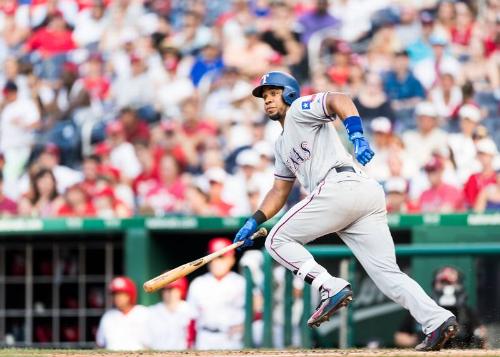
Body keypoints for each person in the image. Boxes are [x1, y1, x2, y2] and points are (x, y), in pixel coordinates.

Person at [233, 71, 457, 351]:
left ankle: (330, 286)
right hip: (361, 194)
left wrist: (357, 135)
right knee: (388, 274)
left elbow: (339, 99)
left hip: (340, 185)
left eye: (273, 93)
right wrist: (254, 220)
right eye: (264, 96)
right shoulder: (280, 145)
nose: (267, 100)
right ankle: (437, 320)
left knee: (276, 240)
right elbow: (279, 191)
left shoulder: (299, 110)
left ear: (289, 93)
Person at [395, 266, 488, 349]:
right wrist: (417, 340)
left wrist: (478, 337)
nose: (446, 287)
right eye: (443, 283)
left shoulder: (466, 311)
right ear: (435, 284)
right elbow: (399, 336)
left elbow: (481, 332)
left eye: (450, 283)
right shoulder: (423, 308)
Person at [187, 238, 245, 350]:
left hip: (231, 339)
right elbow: (191, 318)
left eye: (220, 257)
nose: (215, 261)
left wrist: (245, 326)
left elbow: (257, 313)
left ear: (231, 259)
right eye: (212, 257)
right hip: (204, 337)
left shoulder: (241, 282)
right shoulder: (198, 283)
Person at [96, 277, 148, 351]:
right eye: (115, 294)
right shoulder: (108, 316)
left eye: (120, 294)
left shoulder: (143, 313)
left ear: (130, 294)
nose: (117, 297)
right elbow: (100, 344)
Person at [146, 277, 196, 350]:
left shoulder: (190, 310)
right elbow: (146, 342)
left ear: (180, 290)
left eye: (173, 289)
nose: (170, 293)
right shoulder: (151, 311)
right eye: (166, 289)